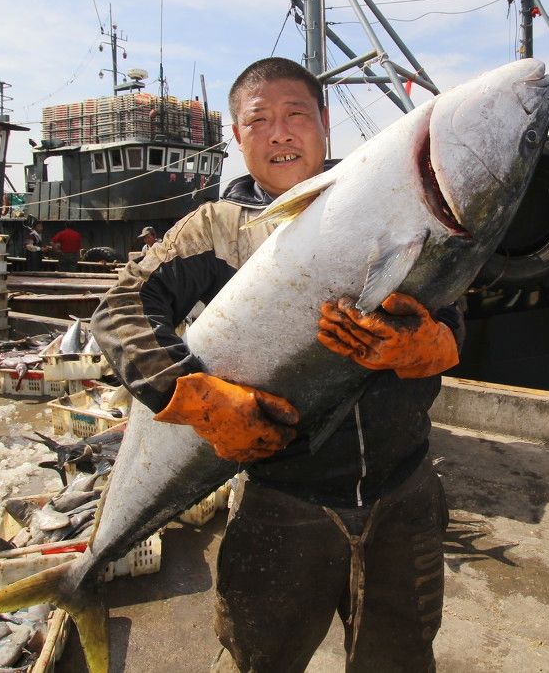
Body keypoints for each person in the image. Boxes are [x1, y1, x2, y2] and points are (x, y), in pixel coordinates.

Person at [92, 57, 462, 671]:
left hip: (406, 495)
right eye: (259, 121)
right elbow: (122, 305)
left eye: (296, 116)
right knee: (259, 660)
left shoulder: (385, 203)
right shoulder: (217, 227)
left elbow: (447, 291)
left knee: (401, 658)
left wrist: (440, 340)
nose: (280, 133)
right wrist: (191, 395)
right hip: (282, 505)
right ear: (238, 139)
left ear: (324, 124)